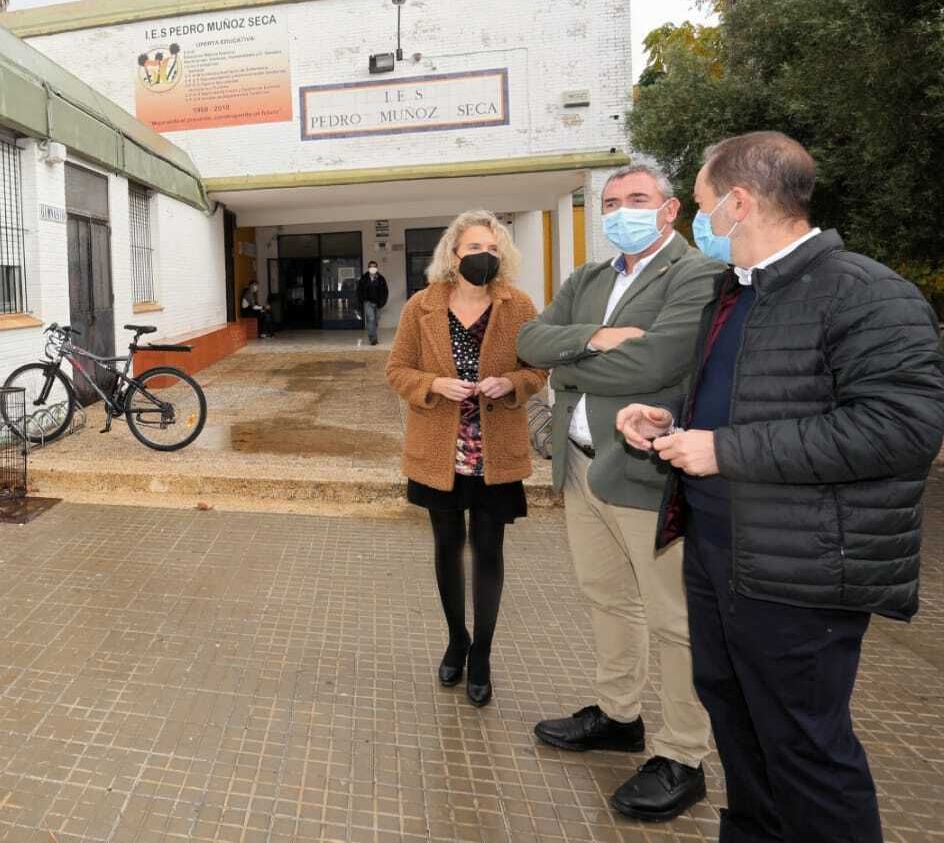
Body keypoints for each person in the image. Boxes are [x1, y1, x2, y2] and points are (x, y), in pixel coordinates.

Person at [615, 132, 944, 843]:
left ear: (739, 202)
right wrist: (674, 418)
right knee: (738, 728)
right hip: (720, 554)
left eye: (700, 206)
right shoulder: (734, 294)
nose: (695, 223)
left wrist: (723, 449)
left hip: (802, 570)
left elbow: (901, 429)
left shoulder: (868, 293)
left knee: (804, 749)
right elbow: (753, 399)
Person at [516, 164, 724, 822]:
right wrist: (593, 339)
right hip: (582, 467)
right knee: (607, 597)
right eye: (611, 203)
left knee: (674, 619)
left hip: (647, 473)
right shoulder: (589, 277)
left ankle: (683, 756)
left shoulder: (693, 275)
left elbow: (659, 361)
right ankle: (618, 714)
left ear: (668, 211)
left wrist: (569, 354)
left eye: (637, 199)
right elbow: (530, 339)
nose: (621, 211)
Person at [387, 210, 547, 707]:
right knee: (447, 546)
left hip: (494, 451)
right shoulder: (422, 306)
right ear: (453, 254)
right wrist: (432, 384)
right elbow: (397, 369)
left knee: (489, 551)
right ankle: (456, 638)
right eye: (476, 247)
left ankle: (483, 653)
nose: (485, 256)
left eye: (494, 249)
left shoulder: (517, 304)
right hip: (440, 450)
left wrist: (513, 383)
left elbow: (537, 368)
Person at [357, 260, 389, 345]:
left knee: (376, 321)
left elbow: (385, 291)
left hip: (378, 303)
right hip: (368, 302)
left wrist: (383, 302)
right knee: (371, 319)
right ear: (368, 268)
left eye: (374, 266)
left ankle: (373, 336)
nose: (372, 268)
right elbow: (359, 290)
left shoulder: (381, 279)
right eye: (371, 266)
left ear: (377, 268)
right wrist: (361, 301)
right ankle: (373, 339)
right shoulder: (364, 278)